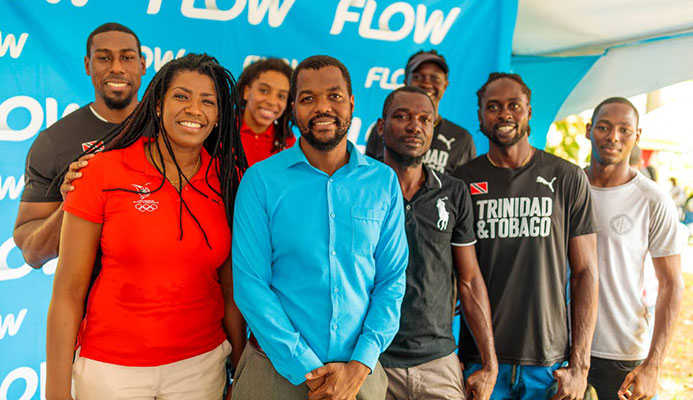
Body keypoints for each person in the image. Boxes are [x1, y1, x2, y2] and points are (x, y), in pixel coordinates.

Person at [46, 54, 247, 400]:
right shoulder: (102, 172)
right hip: (111, 371)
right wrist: (56, 391)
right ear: (157, 105)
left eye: (208, 101)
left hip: (200, 367)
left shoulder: (230, 182)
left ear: (218, 116)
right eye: (181, 96)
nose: (194, 109)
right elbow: (68, 291)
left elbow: (231, 292)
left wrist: (242, 373)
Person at [231, 55, 409, 400]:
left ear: (352, 102)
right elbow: (251, 286)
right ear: (293, 108)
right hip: (274, 373)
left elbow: (392, 280)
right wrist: (306, 367)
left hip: (359, 375)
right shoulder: (261, 181)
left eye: (334, 96)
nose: (322, 108)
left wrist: (360, 364)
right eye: (308, 98)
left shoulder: (383, 181)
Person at [452, 72, 599, 400]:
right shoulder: (461, 182)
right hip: (482, 363)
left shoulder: (567, 178)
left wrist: (580, 366)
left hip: (549, 364)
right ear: (480, 116)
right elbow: (454, 273)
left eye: (513, 105)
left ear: (529, 112)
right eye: (493, 107)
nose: (504, 114)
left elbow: (586, 272)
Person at [377, 85, 498, 400]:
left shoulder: (453, 192)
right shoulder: (361, 188)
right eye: (402, 116)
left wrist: (490, 363)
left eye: (424, 119)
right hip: (372, 359)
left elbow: (469, 280)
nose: (414, 125)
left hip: (438, 359)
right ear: (380, 126)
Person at [14, 22, 146, 268]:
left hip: (174, 295)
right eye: (104, 58)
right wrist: (72, 202)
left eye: (127, 57)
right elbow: (33, 253)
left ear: (143, 64)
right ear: (88, 65)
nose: (117, 68)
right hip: (91, 301)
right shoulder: (54, 142)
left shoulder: (169, 132)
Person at [584, 97, 684, 400]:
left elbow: (671, 282)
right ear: (589, 130)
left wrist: (653, 364)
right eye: (604, 127)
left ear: (637, 136)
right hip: (561, 348)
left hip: (622, 351)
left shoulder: (652, 199)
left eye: (624, 129)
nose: (613, 137)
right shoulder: (567, 187)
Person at [365, 49, 476, 174]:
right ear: (406, 82)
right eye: (418, 77)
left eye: (435, 78)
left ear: (445, 85)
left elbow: (464, 188)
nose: (426, 83)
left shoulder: (461, 139)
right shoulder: (386, 128)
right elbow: (368, 178)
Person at [237, 58, 295, 166]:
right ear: (246, 92)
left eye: (281, 96)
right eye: (264, 91)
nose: (272, 101)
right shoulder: (221, 130)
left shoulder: (288, 143)